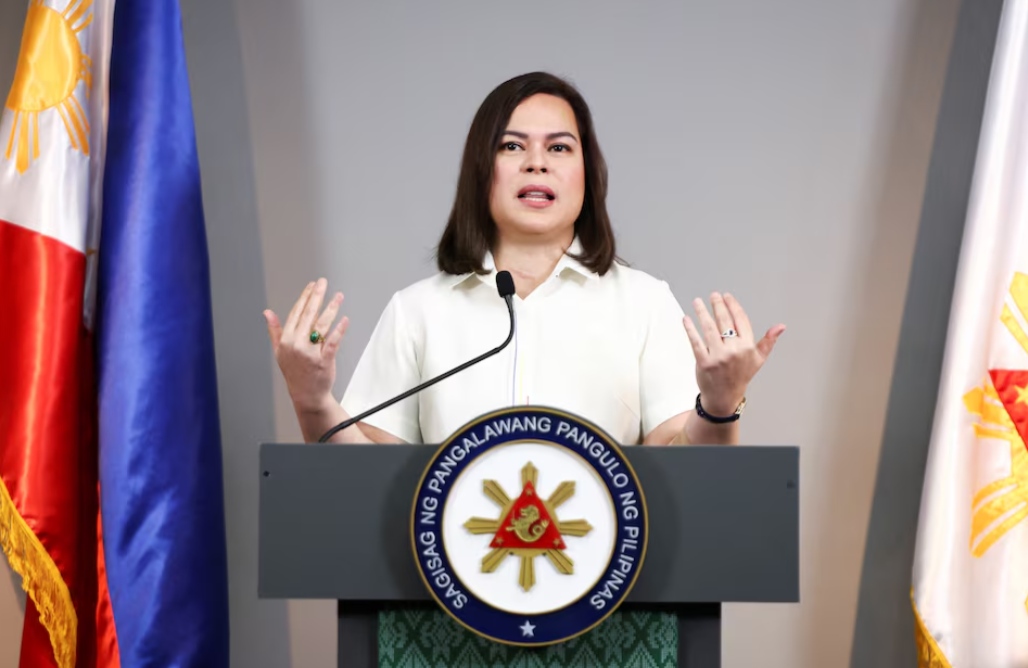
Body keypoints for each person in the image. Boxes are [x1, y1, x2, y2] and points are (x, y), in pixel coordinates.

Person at [264, 71, 785, 448]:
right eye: (512, 147)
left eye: (560, 148)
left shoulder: (644, 303)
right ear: (481, 170)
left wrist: (719, 405)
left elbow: (680, 473)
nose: (537, 162)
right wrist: (313, 401)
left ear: (588, 173)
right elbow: (375, 483)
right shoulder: (418, 311)